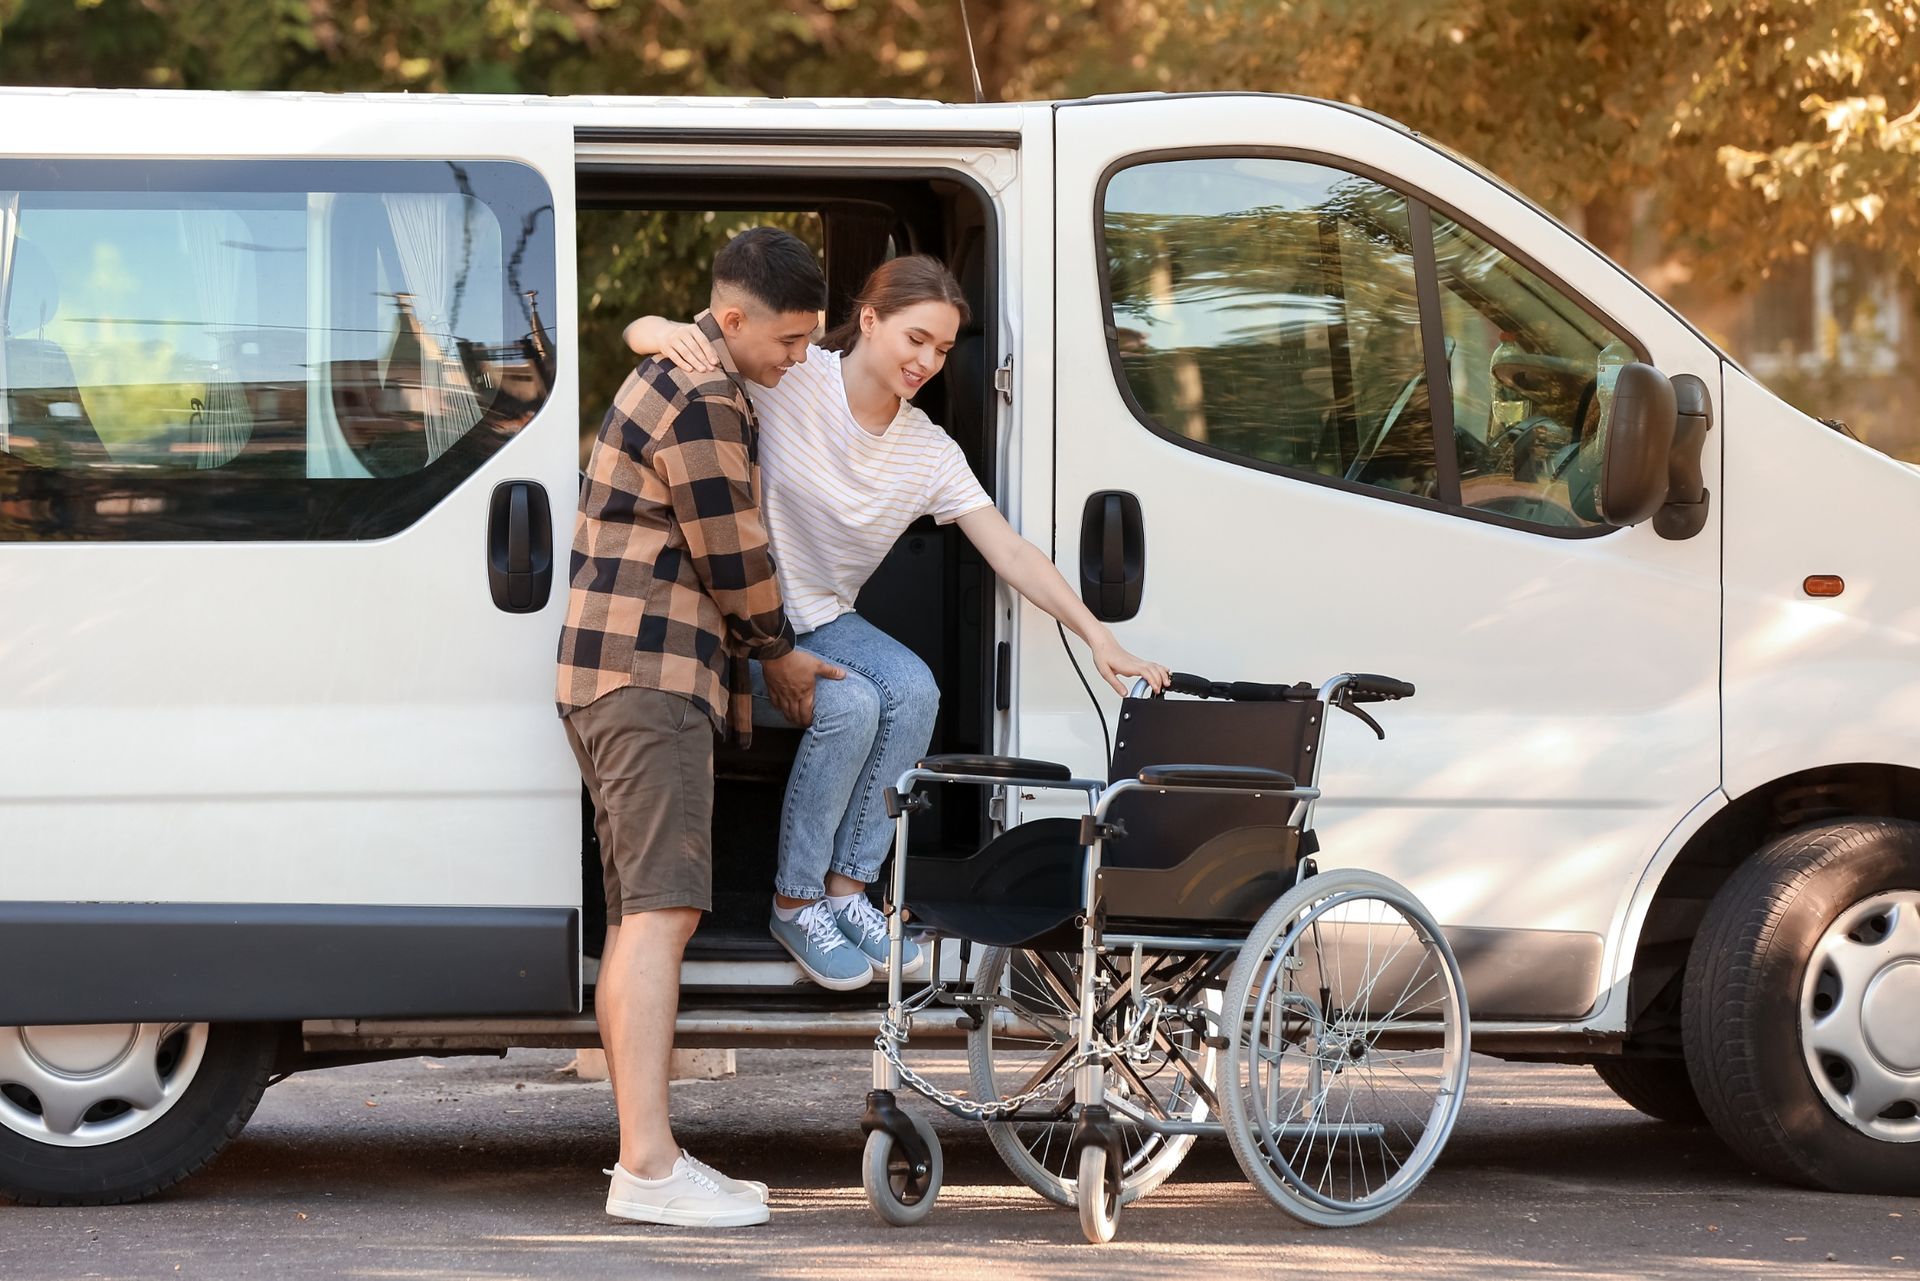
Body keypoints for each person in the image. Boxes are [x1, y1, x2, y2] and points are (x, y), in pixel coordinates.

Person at [624, 253, 1169, 991]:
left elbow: (1009, 548)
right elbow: (674, 335)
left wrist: (1100, 635)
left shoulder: (926, 450)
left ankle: (849, 890)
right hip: (739, 623)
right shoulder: (794, 376)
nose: (927, 361)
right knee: (850, 704)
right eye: (916, 338)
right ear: (870, 319)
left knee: (913, 689)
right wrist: (656, 327)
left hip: (821, 619)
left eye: (942, 349)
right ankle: (794, 900)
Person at [558, 227, 843, 1228]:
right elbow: (733, 552)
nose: (799, 356)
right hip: (649, 674)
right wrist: (781, 653)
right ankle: (646, 1169)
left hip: (621, 675)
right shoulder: (705, 393)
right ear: (733, 321)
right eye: (794, 340)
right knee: (662, 915)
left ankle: (655, 1156)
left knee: (648, 912)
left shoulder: (691, 369)